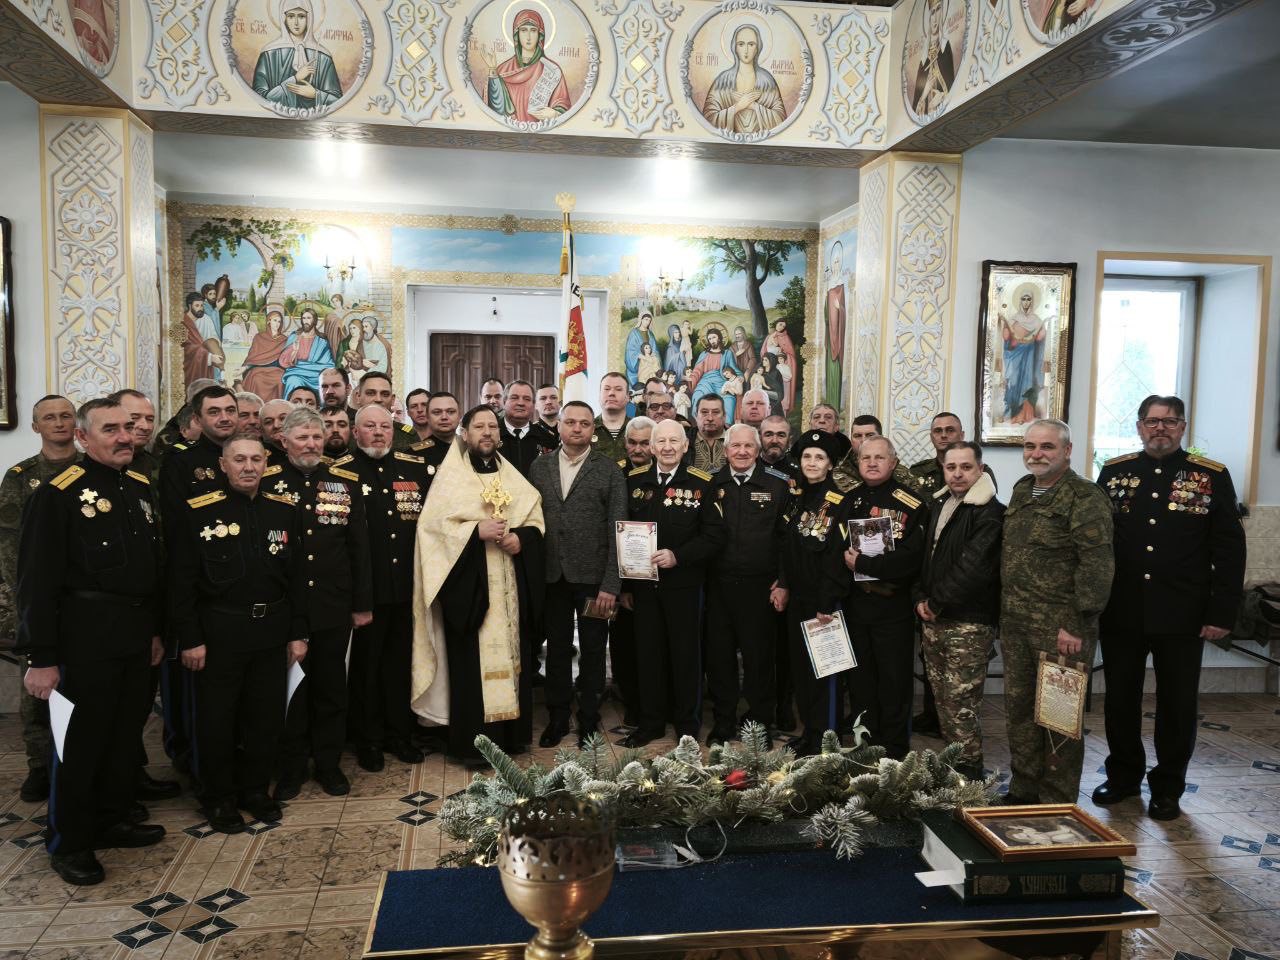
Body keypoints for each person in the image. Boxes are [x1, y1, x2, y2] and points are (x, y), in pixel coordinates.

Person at [17, 398, 167, 884]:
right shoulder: (57, 494)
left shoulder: (138, 487)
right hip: (83, 640)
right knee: (78, 747)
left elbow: (150, 569)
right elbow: (36, 581)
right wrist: (41, 657)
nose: (125, 436)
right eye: (110, 429)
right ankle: (70, 842)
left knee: (122, 739)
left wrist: (155, 632)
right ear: (83, 437)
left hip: (134, 635)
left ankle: (111, 818)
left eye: (128, 427)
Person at [1093, 396, 1245, 821]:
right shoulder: (1114, 472)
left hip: (1183, 611)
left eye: (1170, 421)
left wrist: (1221, 613)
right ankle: (1123, 776)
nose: (1160, 428)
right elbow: (1097, 541)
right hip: (1122, 609)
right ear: (1139, 427)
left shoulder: (1210, 475)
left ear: (1183, 427)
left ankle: (1168, 786)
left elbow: (1229, 548)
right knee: (1119, 699)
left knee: (1177, 704)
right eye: (1152, 421)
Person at [168, 434, 307, 833]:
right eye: (240, 460)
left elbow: (297, 578)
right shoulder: (198, 511)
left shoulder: (284, 510)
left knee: (264, 719)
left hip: (271, 632)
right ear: (223, 465)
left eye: (255, 460)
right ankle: (217, 797)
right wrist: (190, 638)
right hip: (219, 634)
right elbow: (180, 582)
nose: (248, 467)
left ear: (266, 464)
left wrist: (298, 633)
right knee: (216, 722)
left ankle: (254, 791)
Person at [412, 405, 545, 763]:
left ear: (499, 435)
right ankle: (473, 746)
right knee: (471, 663)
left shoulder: (512, 477)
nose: (487, 432)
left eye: (492, 427)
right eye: (479, 427)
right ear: (465, 434)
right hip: (470, 590)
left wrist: (520, 539)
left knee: (514, 657)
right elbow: (432, 529)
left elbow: (535, 521)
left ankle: (511, 738)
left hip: (509, 586)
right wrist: (475, 531)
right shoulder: (451, 478)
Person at [1000, 419, 1114, 804]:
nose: (1036, 454)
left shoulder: (1085, 497)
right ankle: (1023, 789)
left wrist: (1076, 624)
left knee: (1059, 718)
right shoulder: (1022, 489)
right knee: (1019, 711)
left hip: (1061, 629)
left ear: (1067, 450)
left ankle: (1057, 800)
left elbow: (1097, 566)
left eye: (1047, 447)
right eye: (1030, 446)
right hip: (1017, 624)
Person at [272, 408, 372, 801]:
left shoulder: (343, 482)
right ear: (284, 441)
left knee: (331, 688)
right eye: (303, 437)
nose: (312, 444)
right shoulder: (269, 481)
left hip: (333, 603)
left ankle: (328, 764)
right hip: (286, 607)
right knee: (292, 691)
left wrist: (362, 603)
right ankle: (292, 767)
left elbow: (359, 548)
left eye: (316, 436)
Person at [620, 419, 726, 747]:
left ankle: (687, 725)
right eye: (661, 441)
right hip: (643, 586)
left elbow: (714, 536)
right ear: (652, 447)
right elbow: (622, 532)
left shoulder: (702, 483)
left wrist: (678, 556)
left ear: (685, 446)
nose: (667, 447)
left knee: (685, 657)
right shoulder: (633, 481)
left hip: (684, 585)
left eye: (673, 441)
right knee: (647, 655)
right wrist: (625, 586)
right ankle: (651, 723)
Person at [528, 401, 626, 749]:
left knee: (594, 649)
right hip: (552, 578)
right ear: (559, 426)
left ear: (592, 430)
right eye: (570, 422)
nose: (577, 428)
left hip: (595, 582)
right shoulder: (539, 467)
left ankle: (588, 716)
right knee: (556, 648)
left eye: (584, 423)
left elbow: (618, 529)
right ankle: (557, 716)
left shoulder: (609, 470)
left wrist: (611, 585)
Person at [0, 395, 80, 804]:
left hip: (83, 601)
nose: (59, 423)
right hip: (36, 600)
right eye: (50, 418)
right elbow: (9, 548)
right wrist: (17, 607)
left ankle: (83, 764)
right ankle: (38, 765)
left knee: (84, 688)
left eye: (66, 416)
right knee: (36, 688)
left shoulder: (93, 470)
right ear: (36, 427)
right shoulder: (21, 477)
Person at [344, 405, 432, 769]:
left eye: (385, 426)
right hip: (367, 592)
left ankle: (400, 734)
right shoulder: (340, 472)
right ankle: (368, 739)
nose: (378, 432)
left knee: (400, 665)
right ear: (355, 432)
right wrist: (357, 597)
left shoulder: (413, 468)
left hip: (406, 589)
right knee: (367, 669)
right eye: (370, 426)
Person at [914, 441, 1004, 779]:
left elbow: (973, 568)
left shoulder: (990, 511)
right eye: (951, 467)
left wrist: (935, 602)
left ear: (980, 469)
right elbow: (927, 557)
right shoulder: (941, 503)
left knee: (961, 705)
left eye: (965, 467)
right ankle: (954, 769)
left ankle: (969, 774)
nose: (957, 474)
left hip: (968, 622)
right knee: (943, 702)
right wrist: (920, 597)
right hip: (935, 618)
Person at [706, 424, 792, 745]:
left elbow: (786, 540)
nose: (742, 451)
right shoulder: (711, 483)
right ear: (725, 450)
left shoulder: (777, 485)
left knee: (759, 660)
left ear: (758, 450)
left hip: (761, 588)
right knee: (720, 659)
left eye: (748, 446)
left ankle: (759, 725)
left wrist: (784, 581)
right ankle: (724, 722)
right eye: (735, 446)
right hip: (719, 586)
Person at [842, 436, 926, 759]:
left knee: (894, 680)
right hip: (856, 606)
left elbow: (912, 559)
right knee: (860, 680)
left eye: (879, 457)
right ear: (858, 463)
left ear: (893, 462)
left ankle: (895, 748)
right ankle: (865, 744)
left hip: (893, 607)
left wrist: (866, 564)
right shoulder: (848, 500)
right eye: (866, 458)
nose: (872, 463)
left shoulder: (912, 504)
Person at [778, 430, 851, 755]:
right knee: (802, 672)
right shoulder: (798, 498)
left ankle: (825, 739)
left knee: (825, 674)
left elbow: (837, 557)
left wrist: (826, 601)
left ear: (830, 464)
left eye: (819, 457)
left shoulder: (838, 502)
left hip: (824, 602)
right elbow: (788, 548)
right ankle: (809, 732)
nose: (811, 462)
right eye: (807, 456)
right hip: (798, 598)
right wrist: (783, 583)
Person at [478, 8, 571, 123]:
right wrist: (492, 70)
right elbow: (495, 109)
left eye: (533, 30)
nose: (528, 37)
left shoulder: (551, 70)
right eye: (523, 30)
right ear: (516, 34)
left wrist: (555, 113)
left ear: (540, 35)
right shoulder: (503, 69)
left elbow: (562, 104)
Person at [252, 0, 343, 111]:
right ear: (284, 18)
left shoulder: (323, 57)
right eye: (291, 16)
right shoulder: (269, 54)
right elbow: (259, 97)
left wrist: (316, 94)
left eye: (301, 16)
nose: (296, 23)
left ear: (309, 18)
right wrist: (295, 79)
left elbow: (337, 100)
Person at [701, 23, 786, 136]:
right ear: (735, 48)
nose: (746, 50)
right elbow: (709, 118)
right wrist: (739, 106)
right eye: (741, 44)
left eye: (751, 44)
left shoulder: (767, 81)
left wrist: (753, 106)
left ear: (758, 48)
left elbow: (781, 119)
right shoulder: (722, 81)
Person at [999, 286, 1049, 425]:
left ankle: (1024, 416)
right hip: (1015, 357)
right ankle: (1011, 414)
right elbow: (1006, 338)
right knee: (1013, 383)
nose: (1026, 302)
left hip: (1029, 356)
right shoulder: (1013, 319)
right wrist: (1006, 330)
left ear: (1032, 301)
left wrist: (1042, 332)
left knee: (1027, 384)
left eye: (1029, 299)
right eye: (1023, 299)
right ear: (1020, 301)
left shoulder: (1037, 320)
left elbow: (1039, 339)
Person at [910, 0, 957, 117]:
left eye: (938, 9)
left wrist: (942, 97)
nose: (935, 18)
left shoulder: (945, 49)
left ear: (943, 11)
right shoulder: (923, 61)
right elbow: (916, 112)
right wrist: (925, 94)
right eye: (932, 12)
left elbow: (953, 92)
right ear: (928, 17)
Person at [498, 380, 555, 477]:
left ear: (533, 405)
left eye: (527, 399)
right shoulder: (491, 435)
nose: (521, 403)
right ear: (504, 402)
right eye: (514, 398)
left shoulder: (548, 439)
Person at [688, 325, 742, 424]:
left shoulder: (727, 353)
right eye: (709, 339)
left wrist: (740, 377)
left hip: (721, 382)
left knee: (729, 399)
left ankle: (726, 426)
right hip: (705, 382)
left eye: (714, 337)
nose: (712, 340)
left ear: (719, 338)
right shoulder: (704, 354)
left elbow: (734, 368)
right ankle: (701, 424)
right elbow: (697, 370)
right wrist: (691, 378)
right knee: (698, 395)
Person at [280, 307, 336, 399]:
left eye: (309, 318)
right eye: (304, 318)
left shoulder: (322, 341)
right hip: (297, 373)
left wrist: (307, 367)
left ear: (314, 320)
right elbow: (283, 361)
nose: (306, 321)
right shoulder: (295, 337)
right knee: (293, 381)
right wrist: (295, 350)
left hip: (316, 375)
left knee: (324, 384)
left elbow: (329, 364)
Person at [114, 389, 160, 480]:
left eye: (150, 419)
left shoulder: (156, 466)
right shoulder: (93, 462)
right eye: (134, 418)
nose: (145, 427)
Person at [242, 310, 288, 401]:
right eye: (275, 320)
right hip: (259, 369)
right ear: (268, 321)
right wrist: (244, 367)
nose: (277, 324)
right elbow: (253, 356)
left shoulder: (284, 339)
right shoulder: (259, 337)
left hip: (277, 369)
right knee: (256, 379)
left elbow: (286, 358)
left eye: (279, 321)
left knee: (280, 379)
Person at [182, 292, 224, 385]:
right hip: (190, 366)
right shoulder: (183, 322)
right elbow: (186, 348)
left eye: (201, 305)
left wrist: (213, 347)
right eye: (197, 305)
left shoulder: (205, 319)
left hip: (204, 363)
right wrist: (209, 357)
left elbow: (213, 337)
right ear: (190, 306)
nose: (200, 308)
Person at [593, 372, 631, 461]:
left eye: (618, 389)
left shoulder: (638, 428)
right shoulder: (587, 428)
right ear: (599, 395)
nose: (611, 393)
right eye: (606, 389)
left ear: (628, 396)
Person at [762, 319, 797, 413]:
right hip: (769, 365)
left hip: (779, 367)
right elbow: (764, 352)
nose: (781, 327)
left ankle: (781, 408)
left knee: (779, 388)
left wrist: (782, 356)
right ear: (776, 323)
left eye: (783, 326)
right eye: (780, 324)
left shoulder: (785, 337)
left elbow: (790, 354)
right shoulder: (769, 336)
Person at [688, 394, 728, 474]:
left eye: (715, 412)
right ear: (696, 416)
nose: (710, 418)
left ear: (724, 416)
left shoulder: (735, 440)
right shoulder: (684, 441)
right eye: (704, 412)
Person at [625, 312, 660, 389]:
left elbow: (655, 349)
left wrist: (652, 356)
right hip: (639, 364)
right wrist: (644, 357)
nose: (647, 322)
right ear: (641, 319)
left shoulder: (650, 334)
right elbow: (630, 351)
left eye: (649, 320)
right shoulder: (634, 333)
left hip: (650, 362)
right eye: (646, 319)